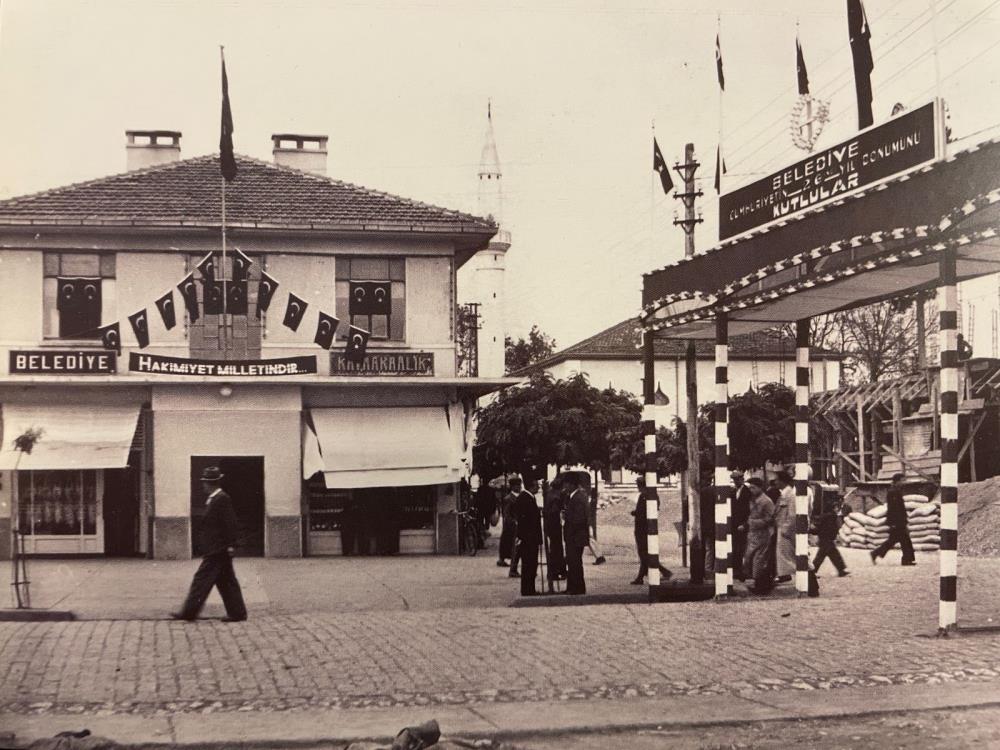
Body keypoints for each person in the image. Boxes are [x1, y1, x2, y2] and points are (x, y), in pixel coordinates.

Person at [172, 466, 247, 622]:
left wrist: (231, 544)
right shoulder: (215, 499)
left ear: (210, 483)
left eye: (205, 482)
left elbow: (230, 524)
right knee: (227, 582)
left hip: (217, 550)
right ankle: (237, 613)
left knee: (201, 580)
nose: (203, 485)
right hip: (218, 549)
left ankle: (189, 612)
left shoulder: (222, 499)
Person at [630, 477, 672, 584]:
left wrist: (635, 513)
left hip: (641, 528)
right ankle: (640, 578)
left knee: (644, 553)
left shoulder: (643, 496)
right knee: (646, 553)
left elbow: (641, 513)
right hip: (650, 527)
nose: (638, 487)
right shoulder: (654, 495)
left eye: (639, 485)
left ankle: (664, 571)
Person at [871, 472, 916, 566]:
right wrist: (894, 522)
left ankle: (875, 553)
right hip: (897, 521)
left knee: (894, 540)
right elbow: (893, 509)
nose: (904, 482)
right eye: (903, 480)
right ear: (897, 481)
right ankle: (906, 560)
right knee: (905, 540)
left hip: (898, 521)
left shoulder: (896, 490)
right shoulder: (893, 492)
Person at [740, 477, 775, 594]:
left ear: (760, 487)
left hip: (762, 533)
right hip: (753, 533)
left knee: (759, 559)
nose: (751, 490)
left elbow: (770, 518)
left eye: (753, 488)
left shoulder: (766, 501)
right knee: (750, 557)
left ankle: (759, 584)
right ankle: (757, 582)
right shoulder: (753, 500)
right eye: (750, 488)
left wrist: (754, 523)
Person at [512, 478, 542, 596]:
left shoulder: (528, 497)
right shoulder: (525, 499)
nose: (538, 488)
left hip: (530, 537)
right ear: (531, 486)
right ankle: (528, 590)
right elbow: (527, 521)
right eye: (536, 486)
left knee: (531, 564)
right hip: (529, 538)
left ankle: (530, 588)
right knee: (529, 564)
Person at [811, 486, 848, 577]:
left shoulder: (827, 515)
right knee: (823, 555)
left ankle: (841, 569)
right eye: (836, 507)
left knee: (831, 553)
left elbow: (820, 527)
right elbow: (829, 528)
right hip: (826, 538)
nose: (837, 509)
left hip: (825, 538)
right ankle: (812, 571)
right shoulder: (830, 516)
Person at [562, 472, 590, 595]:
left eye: (566, 484)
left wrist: (566, 516)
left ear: (572, 484)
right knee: (572, 562)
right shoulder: (573, 497)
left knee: (575, 562)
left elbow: (578, 519)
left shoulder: (578, 498)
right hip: (574, 535)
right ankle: (572, 587)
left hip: (575, 535)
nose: (565, 486)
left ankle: (577, 588)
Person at [772, 471, 796, 583]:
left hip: (786, 529)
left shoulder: (790, 495)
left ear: (782, 481)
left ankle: (808, 579)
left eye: (776, 479)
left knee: (789, 556)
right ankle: (784, 575)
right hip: (781, 527)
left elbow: (792, 514)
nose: (775, 482)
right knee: (785, 555)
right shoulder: (784, 494)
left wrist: (786, 529)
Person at [543, 478, 566, 581]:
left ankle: (557, 571)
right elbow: (554, 511)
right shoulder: (556, 497)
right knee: (557, 549)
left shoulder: (549, 494)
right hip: (554, 525)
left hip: (550, 525)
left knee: (555, 548)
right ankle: (555, 572)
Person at [730, 470, 752, 581]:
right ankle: (737, 570)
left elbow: (749, 510)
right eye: (734, 480)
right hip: (735, 525)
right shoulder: (734, 492)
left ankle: (744, 570)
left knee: (743, 548)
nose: (736, 481)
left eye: (738, 479)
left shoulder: (747, 492)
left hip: (743, 524)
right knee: (736, 548)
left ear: (742, 479)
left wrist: (745, 524)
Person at [497, 484, 517, 570]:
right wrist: (512, 521)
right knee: (507, 542)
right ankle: (503, 558)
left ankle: (506, 558)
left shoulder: (512, 497)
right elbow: (507, 512)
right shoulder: (509, 498)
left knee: (508, 542)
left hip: (511, 523)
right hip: (509, 525)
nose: (519, 487)